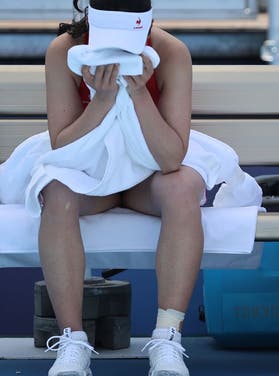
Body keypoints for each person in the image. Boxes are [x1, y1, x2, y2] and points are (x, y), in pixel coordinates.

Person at [41, 0, 200, 375]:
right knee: (57, 191)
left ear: (146, 25)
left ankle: (167, 338)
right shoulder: (63, 51)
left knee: (183, 187)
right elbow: (63, 147)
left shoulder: (171, 52)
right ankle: (72, 340)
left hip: (149, 170)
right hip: (90, 168)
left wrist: (140, 93)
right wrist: (103, 100)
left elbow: (170, 159)